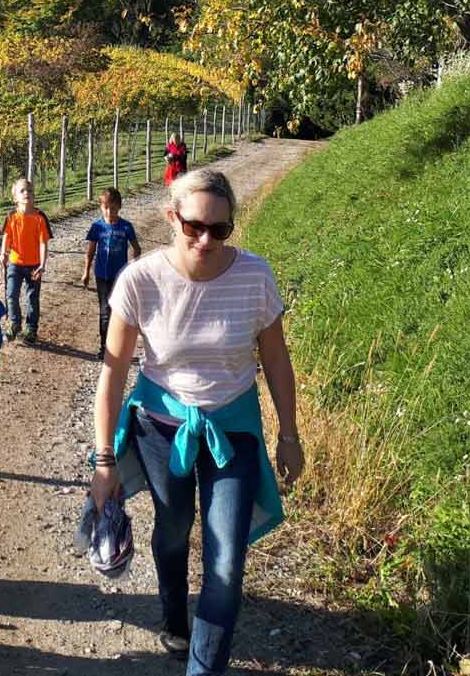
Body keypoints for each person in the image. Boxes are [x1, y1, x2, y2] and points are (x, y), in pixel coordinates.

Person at [90, 169, 304, 675]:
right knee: (173, 531)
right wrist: (104, 460)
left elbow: (276, 360)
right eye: (194, 227)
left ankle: (203, 668)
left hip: (233, 433)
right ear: (172, 218)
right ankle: (174, 615)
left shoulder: (255, 276)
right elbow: (113, 373)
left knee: (225, 562)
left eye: (220, 230)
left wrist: (289, 435)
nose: (206, 240)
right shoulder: (141, 280)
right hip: (161, 432)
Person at [80, 187, 141, 360]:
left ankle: (119, 346)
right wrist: (86, 272)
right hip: (102, 275)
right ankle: (104, 347)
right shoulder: (97, 227)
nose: (109, 212)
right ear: (101, 207)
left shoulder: (126, 227)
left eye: (113, 208)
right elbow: (90, 251)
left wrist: (133, 269)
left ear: (119, 207)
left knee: (120, 311)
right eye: (106, 208)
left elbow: (137, 248)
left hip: (120, 276)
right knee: (105, 311)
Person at [0, 177, 51, 343]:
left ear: (34, 195)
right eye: (22, 191)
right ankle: (14, 324)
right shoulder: (11, 217)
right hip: (15, 263)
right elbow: (7, 237)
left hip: (34, 265)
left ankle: (31, 329)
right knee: (11, 294)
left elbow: (43, 243)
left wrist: (42, 265)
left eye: (30, 190)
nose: (26, 193)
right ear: (15, 198)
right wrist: (3, 253)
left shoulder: (40, 218)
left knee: (32, 297)